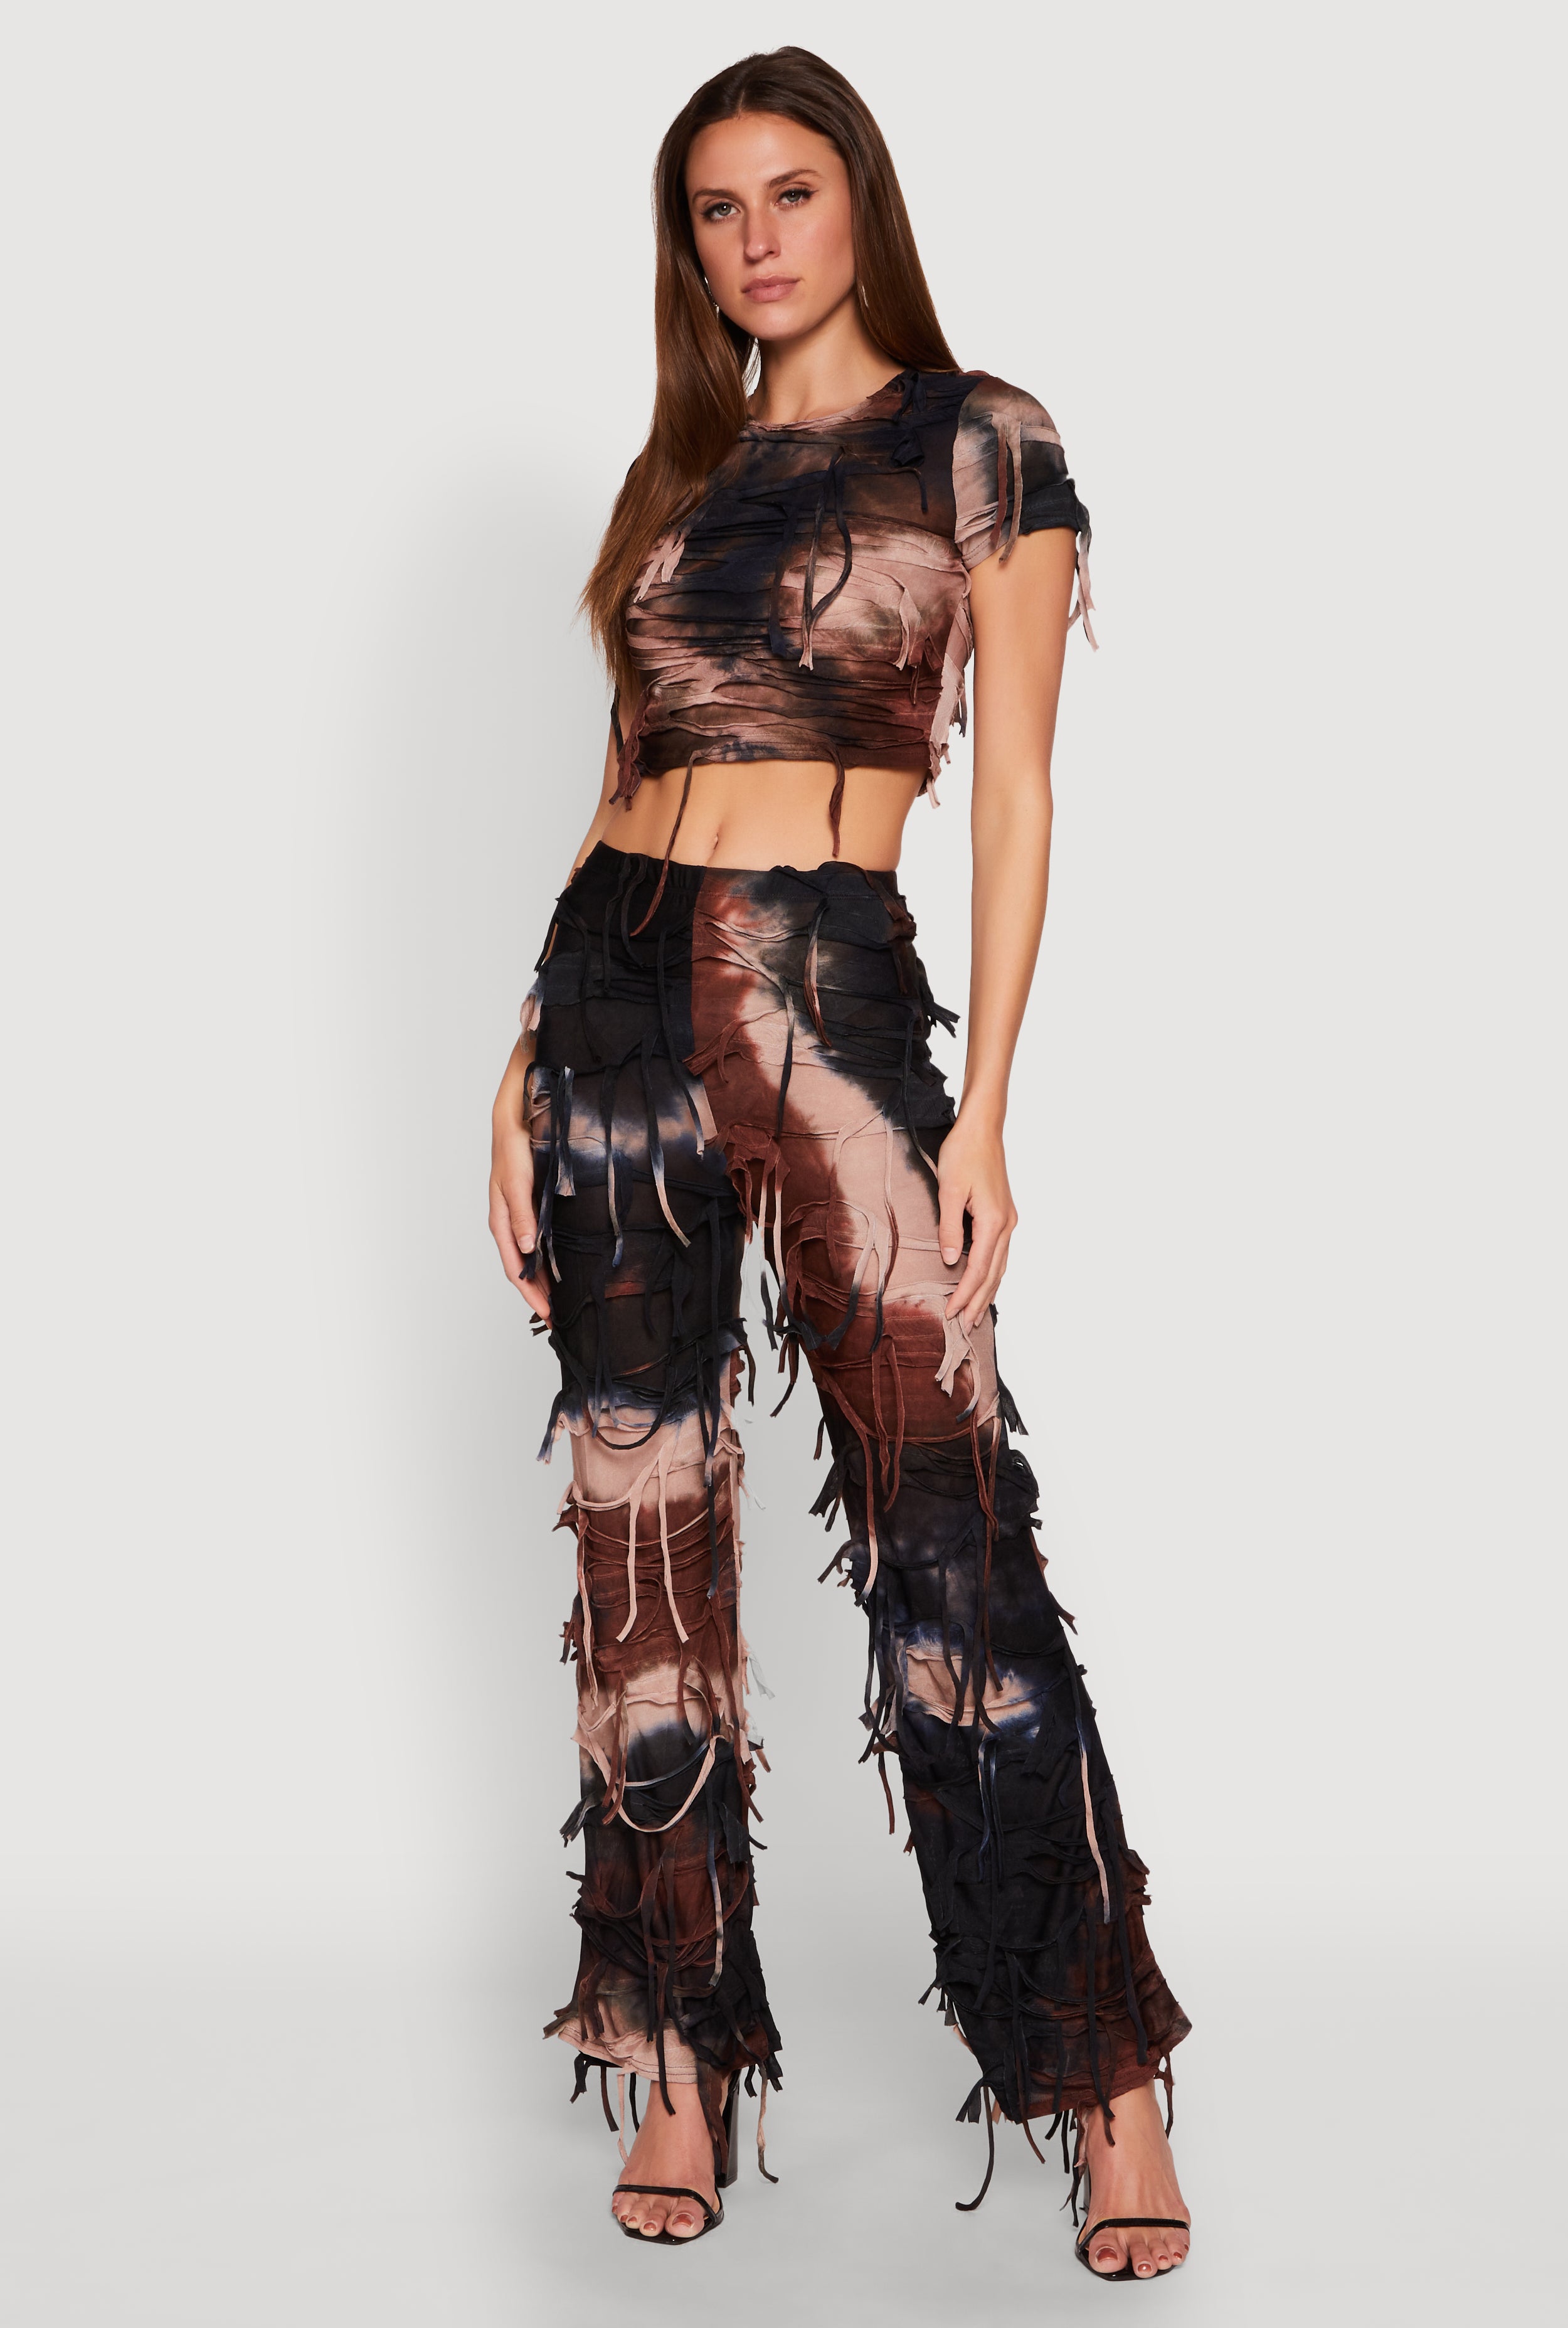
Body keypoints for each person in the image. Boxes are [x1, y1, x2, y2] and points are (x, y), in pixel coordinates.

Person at [488, 46, 1192, 2278]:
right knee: (640, 1535)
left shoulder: (981, 439)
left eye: (789, 191)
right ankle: (676, 2059)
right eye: (715, 208)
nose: (754, 238)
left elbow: (1015, 793)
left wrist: (987, 1113)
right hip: (610, 1002)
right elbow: (621, 779)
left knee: (947, 1540)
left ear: (859, 200)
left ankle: (1099, 2076)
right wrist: (516, 1062)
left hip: (829, 998)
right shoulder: (680, 472)